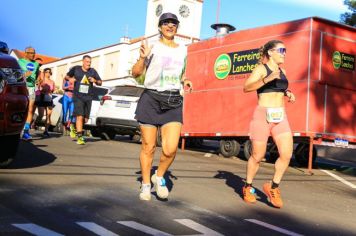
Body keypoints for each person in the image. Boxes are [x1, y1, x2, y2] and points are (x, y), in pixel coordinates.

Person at [131, 12, 193, 201]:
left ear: (177, 27)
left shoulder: (183, 49)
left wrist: (186, 80)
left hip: (173, 101)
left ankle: (159, 177)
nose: (169, 25)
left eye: (173, 23)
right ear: (159, 27)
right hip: (151, 99)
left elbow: (181, 73)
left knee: (170, 149)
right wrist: (142, 58)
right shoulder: (152, 47)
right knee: (148, 147)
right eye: (165, 23)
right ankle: (146, 183)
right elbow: (136, 74)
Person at [243, 40, 296, 208]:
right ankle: (248, 186)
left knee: (286, 154)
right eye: (281, 50)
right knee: (258, 156)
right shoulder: (261, 69)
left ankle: (273, 187)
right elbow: (246, 88)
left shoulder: (283, 71)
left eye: (285, 50)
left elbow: (279, 88)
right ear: (270, 52)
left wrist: (288, 92)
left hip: (280, 116)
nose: (284, 53)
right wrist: (267, 79)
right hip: (262, 115)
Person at [66, 55, 102, 145]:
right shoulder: (76, 69)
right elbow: (66, 77)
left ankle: (73, 126)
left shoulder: (93, 71)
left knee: (85, 119)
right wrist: (70, 79)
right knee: (80, 116)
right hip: (78, 96)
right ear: (83, 61)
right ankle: (80, 137)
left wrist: (95, 80)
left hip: (88, 97)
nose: (88, 64)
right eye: (87, 62)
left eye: (90, 62)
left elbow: (100, 82)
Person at [18, 47, 41, 140]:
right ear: (25, 53)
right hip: (22, 87)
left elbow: (38, 74)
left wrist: (38, 80)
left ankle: (26, 132)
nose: (33, 55)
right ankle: (17, 129)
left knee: (30, 109)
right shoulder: (20, 62)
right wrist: (23, 75)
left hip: (31, 88)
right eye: (31, 53)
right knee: (21, 109)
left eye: (34, 53)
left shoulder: (36, 64)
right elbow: (15, 74)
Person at [35, 68, 55, 136]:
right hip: (41, 98)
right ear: (44, 73)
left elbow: (53, 91)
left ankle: (46, 131)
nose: (48, 73)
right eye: (46, 72)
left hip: (49, 99)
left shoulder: (52, 82)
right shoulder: (41, 80)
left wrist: (49, 93)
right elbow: (37, 88)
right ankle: (34, 123)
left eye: (49, 72)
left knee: (48, 115)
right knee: (41, 115)